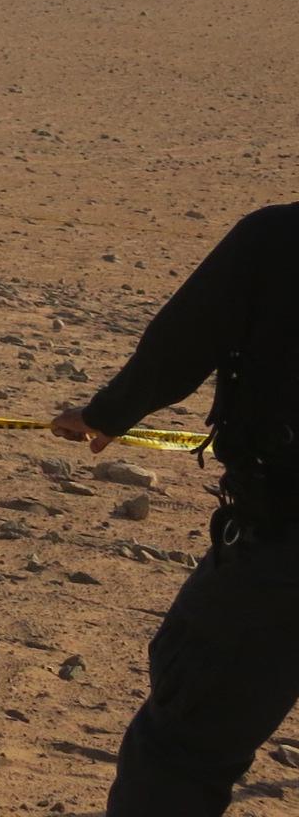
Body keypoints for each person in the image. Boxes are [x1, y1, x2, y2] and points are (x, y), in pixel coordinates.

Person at [53, 206, 299, 815]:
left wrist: (106, 415)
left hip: (282, 547)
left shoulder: (277, 238)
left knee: (181, 749)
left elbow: (185, 339)